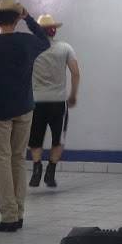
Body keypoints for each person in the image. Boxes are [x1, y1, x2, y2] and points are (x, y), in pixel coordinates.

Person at [0, 0, 50, 232]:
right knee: (18, 159)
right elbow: (45, 40)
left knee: (2, 160)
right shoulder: (28, 42)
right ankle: (19, 213)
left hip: (0, 111)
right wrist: (29, 18)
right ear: (17, 19)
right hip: (25, 108)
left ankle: (8, 216)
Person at [29, 14, 81, 189]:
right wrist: (73, 95)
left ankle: (37, 169)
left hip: (36, 102)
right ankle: (50, 172)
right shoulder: (65, 48)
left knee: (35, 138)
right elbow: (76, 73)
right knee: (58, 139)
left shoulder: (31, 49)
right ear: (54, 30)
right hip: (58, 102)